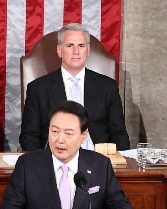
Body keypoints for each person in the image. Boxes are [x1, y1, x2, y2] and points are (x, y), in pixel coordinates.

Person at [0, 101, 133, 209]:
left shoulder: (100, 164)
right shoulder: (28, 164)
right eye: (55, 131)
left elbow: (120, 204)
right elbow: (8, 208)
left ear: (83, 135)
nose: (60, 140)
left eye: (68, 133)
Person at [20, 23, 130, 151]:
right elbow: (29, 136)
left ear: (88, 50)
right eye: (70, 45)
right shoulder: (38, 88)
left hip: (98, 160)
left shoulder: (107, 87)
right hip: (55, 160)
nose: (76, 52)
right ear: (59, 50)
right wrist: (43, 164)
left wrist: (119, 164)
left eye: (81, 46)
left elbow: (119, 134)